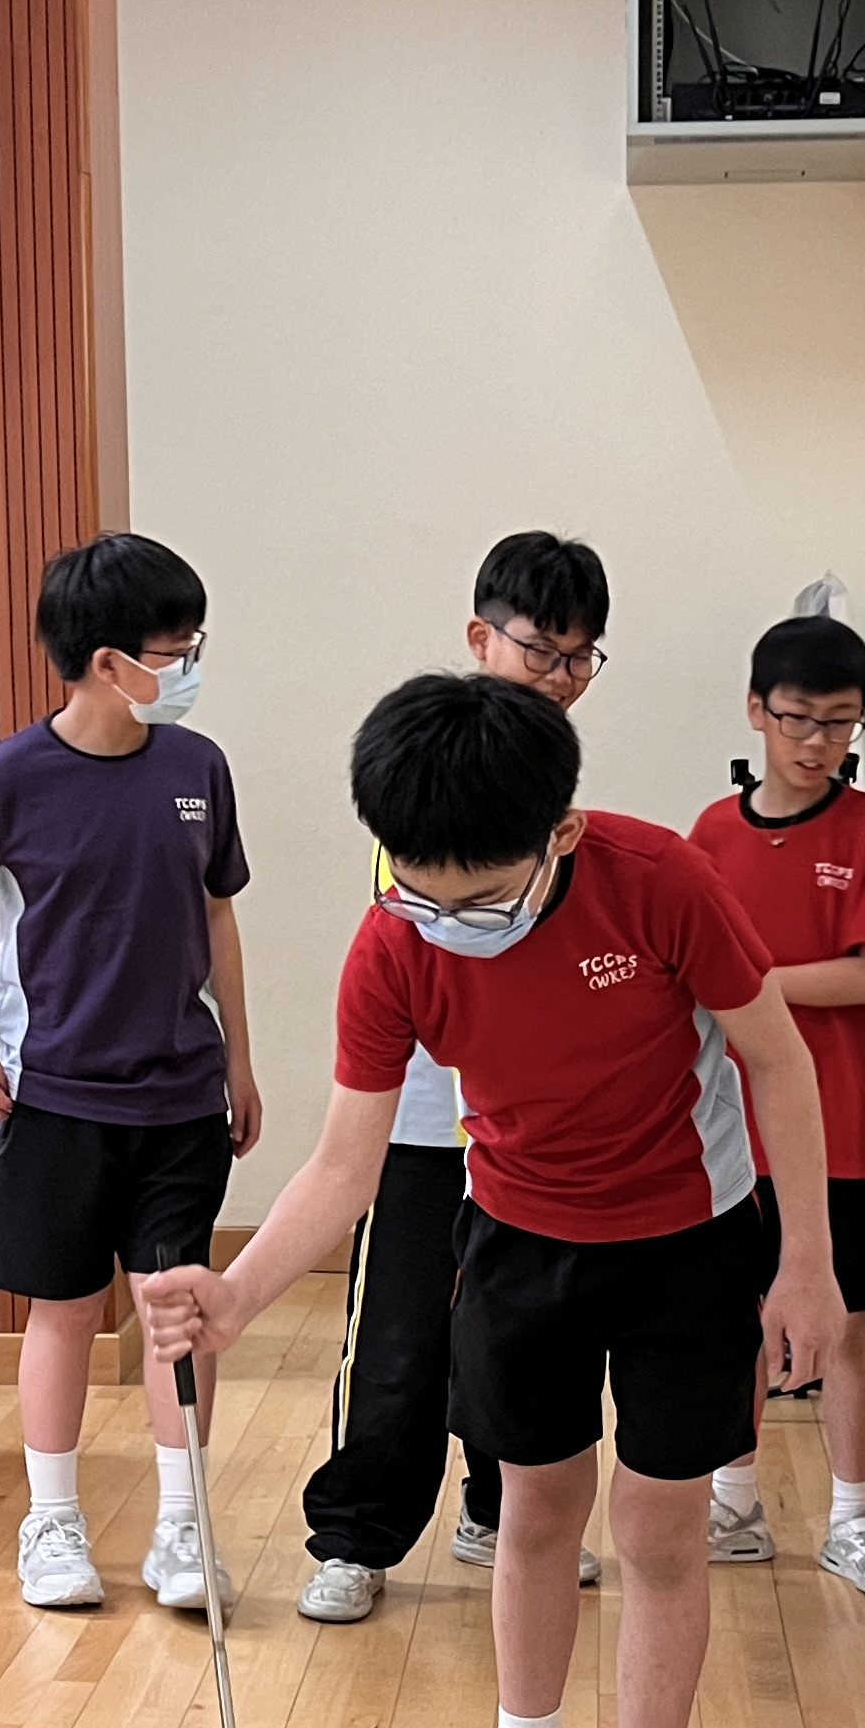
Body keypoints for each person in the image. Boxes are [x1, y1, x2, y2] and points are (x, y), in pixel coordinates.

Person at [139, 673, 843, 1728]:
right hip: (519, 1239)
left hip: (688, 1238)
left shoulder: (660, 881)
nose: (450, 927)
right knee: (532, 1512)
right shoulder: (392, 945)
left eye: (480, 901)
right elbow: (344, 1163)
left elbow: (777, 1058)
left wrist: (806, 1263)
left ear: (560, 835)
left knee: (660, 1530)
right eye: (422, 894)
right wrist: (235, 1295)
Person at [0, 533, 261, 1613]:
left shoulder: (198, 771)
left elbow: (218, 913)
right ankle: (52, 1523)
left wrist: (242, 1060)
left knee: (174, 1307)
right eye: (176, 648)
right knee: (62, 1311)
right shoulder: (6, 780)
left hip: (181, 1094)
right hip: (51, 1096)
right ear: (109, 662)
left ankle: (184, 1527)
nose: (190, 665)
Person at [296, 531, 615, 1625]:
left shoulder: (561, 796)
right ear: (482, 639)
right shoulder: (427, 771)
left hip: (527, 1129)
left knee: (514, 1336)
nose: (560, 677)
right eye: (540, 651)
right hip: (426, 1121)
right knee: (397, 1343)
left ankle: (496, 1512)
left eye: (580, 658)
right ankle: (356, 1537)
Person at [689, 614, 865, 1594]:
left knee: (852, 1320)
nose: (817, 740)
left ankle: (854, 1515)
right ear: (757, 711)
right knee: (734, 1316)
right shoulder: (710, 834)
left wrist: (749, 987)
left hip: (848, 1126)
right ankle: (734, 1502)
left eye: (840, 722)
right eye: (798, 718)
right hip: (733, 1127)